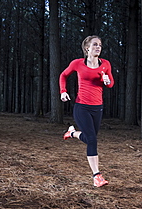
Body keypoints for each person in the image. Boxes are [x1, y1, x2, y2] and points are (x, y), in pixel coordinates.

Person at [59, 35, 114, 187]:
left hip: (98, 107)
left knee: (90, 138)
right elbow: (63, 75)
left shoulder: (105, 65)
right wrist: (63, 91)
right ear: (87, 48)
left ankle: (72, 133)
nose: (98, 47)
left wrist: (107, 82)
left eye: (100, 45)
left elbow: (110, 84)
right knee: (92, 140)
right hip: (81, 106)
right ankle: (97, 176)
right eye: (95, 44)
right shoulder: (77, 63)